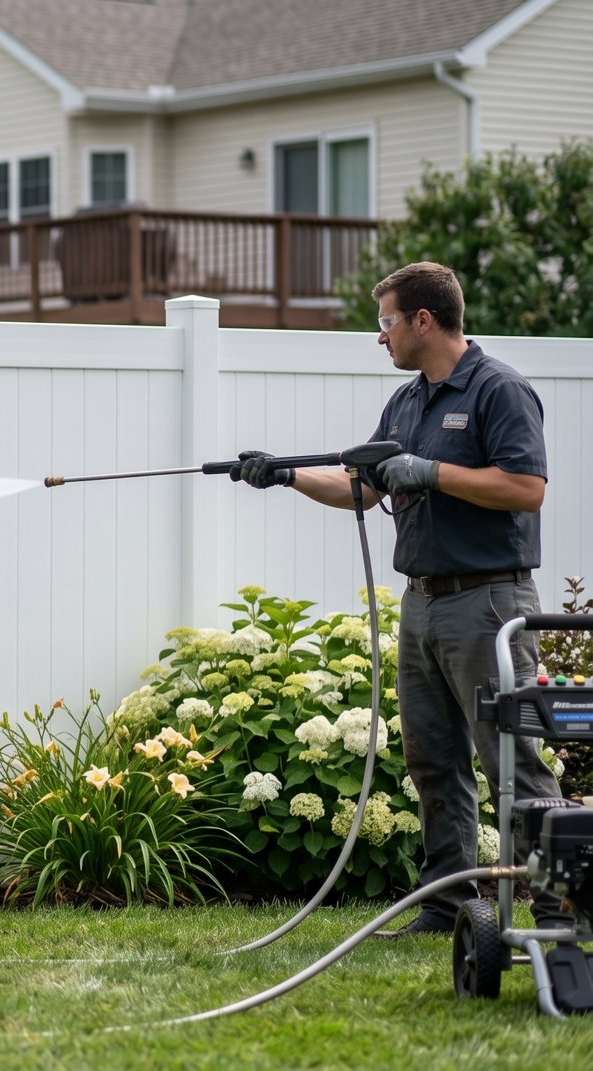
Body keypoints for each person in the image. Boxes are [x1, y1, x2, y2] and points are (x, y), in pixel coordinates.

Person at [234, 261, 570, 936]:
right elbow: (367, 489)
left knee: (512, 757)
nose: (379, 336)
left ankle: (559, 901)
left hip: (489, 603)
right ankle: (451, 905)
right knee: (433, 758)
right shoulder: (408, 401)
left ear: (423, 320)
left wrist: (435, 473)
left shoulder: (499, 389)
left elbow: (525, 487)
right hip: (422, 602)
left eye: (386, 321)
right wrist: (287, 474)